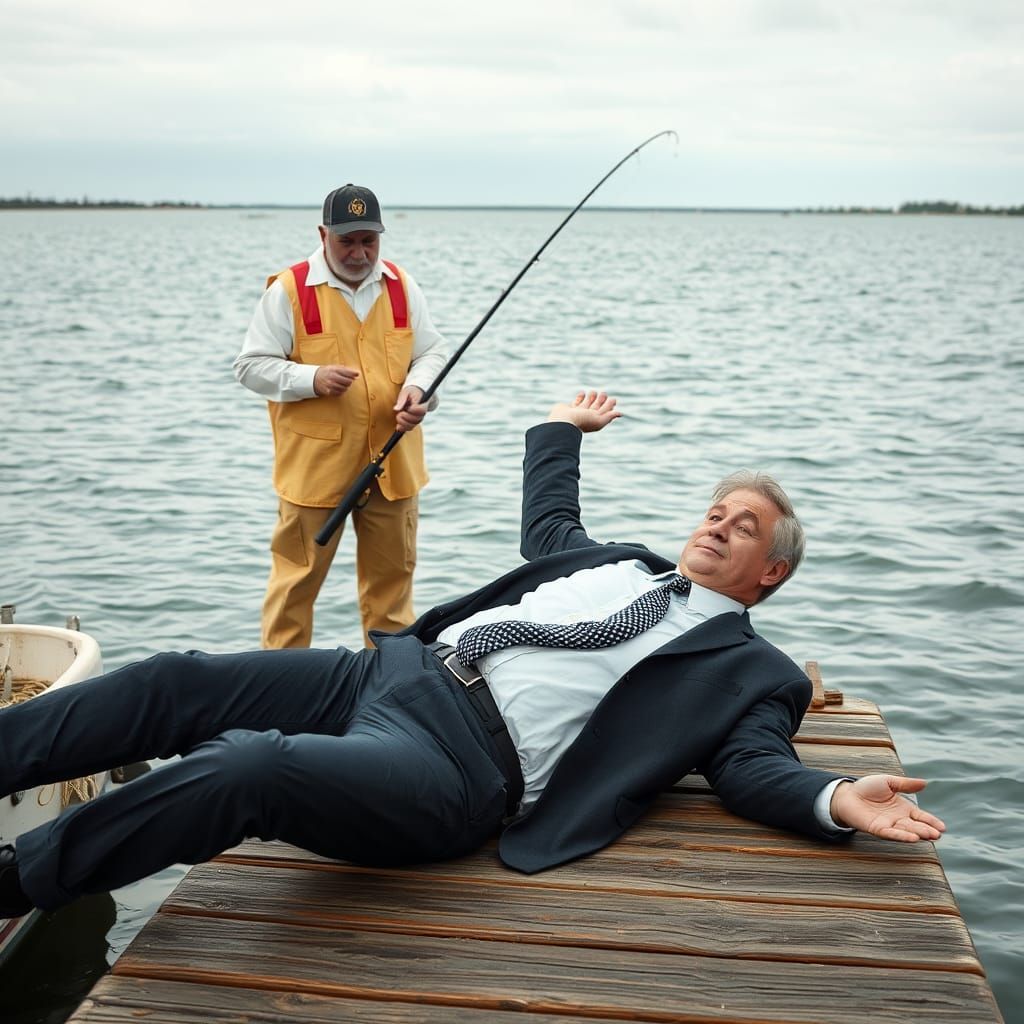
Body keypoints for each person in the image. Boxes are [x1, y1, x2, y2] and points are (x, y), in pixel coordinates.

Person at [0, 392, 945, 918]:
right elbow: (549, 521)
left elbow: (750, 768)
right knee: (179, 679)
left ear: (768, 575)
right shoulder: (618, 561)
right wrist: (562, 432)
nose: (717, 527)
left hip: (453, 766)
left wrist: (833, 798)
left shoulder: (755, 671)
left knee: (252, 766)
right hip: (386, 674)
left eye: (742, 530)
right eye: (715, 511)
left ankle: (17, 880)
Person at [234, 184, 448, 649]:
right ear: (323, 234)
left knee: (392, 594)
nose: (359, 252)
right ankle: (280, 692)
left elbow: (431, 353)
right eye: (347, 241)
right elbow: (250, 367)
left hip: (394, 467)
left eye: (368, 240)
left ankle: (388, 691)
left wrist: (420, 392)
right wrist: (311, 379)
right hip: (314, 473)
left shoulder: (401, 285)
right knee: (293, 590)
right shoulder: (288, 290)